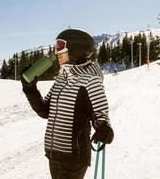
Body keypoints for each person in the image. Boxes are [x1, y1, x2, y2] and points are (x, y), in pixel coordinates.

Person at [21, 28, 114, 179]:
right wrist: (30, 88)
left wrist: (104, 128)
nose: (56, 52)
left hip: (74, 158)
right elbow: (45, 111)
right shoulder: (62, 79)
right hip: (54, 155)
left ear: (75, 50)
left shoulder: (90, 80)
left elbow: (100, 114)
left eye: (60, 47)